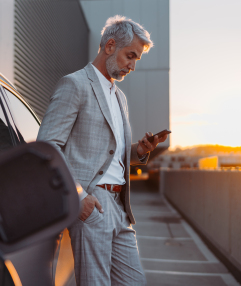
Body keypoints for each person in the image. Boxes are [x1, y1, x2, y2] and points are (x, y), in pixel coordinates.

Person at [37, 15, 168, 285]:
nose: (132, 66)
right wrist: (79, 196)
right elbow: (47, 147)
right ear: (110, 46)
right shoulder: (75, 85)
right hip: (92, 203)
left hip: (120, 208)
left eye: (137, 60)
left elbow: (111, 154)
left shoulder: (119, 97)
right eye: (130, 56)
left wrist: (140, 150)